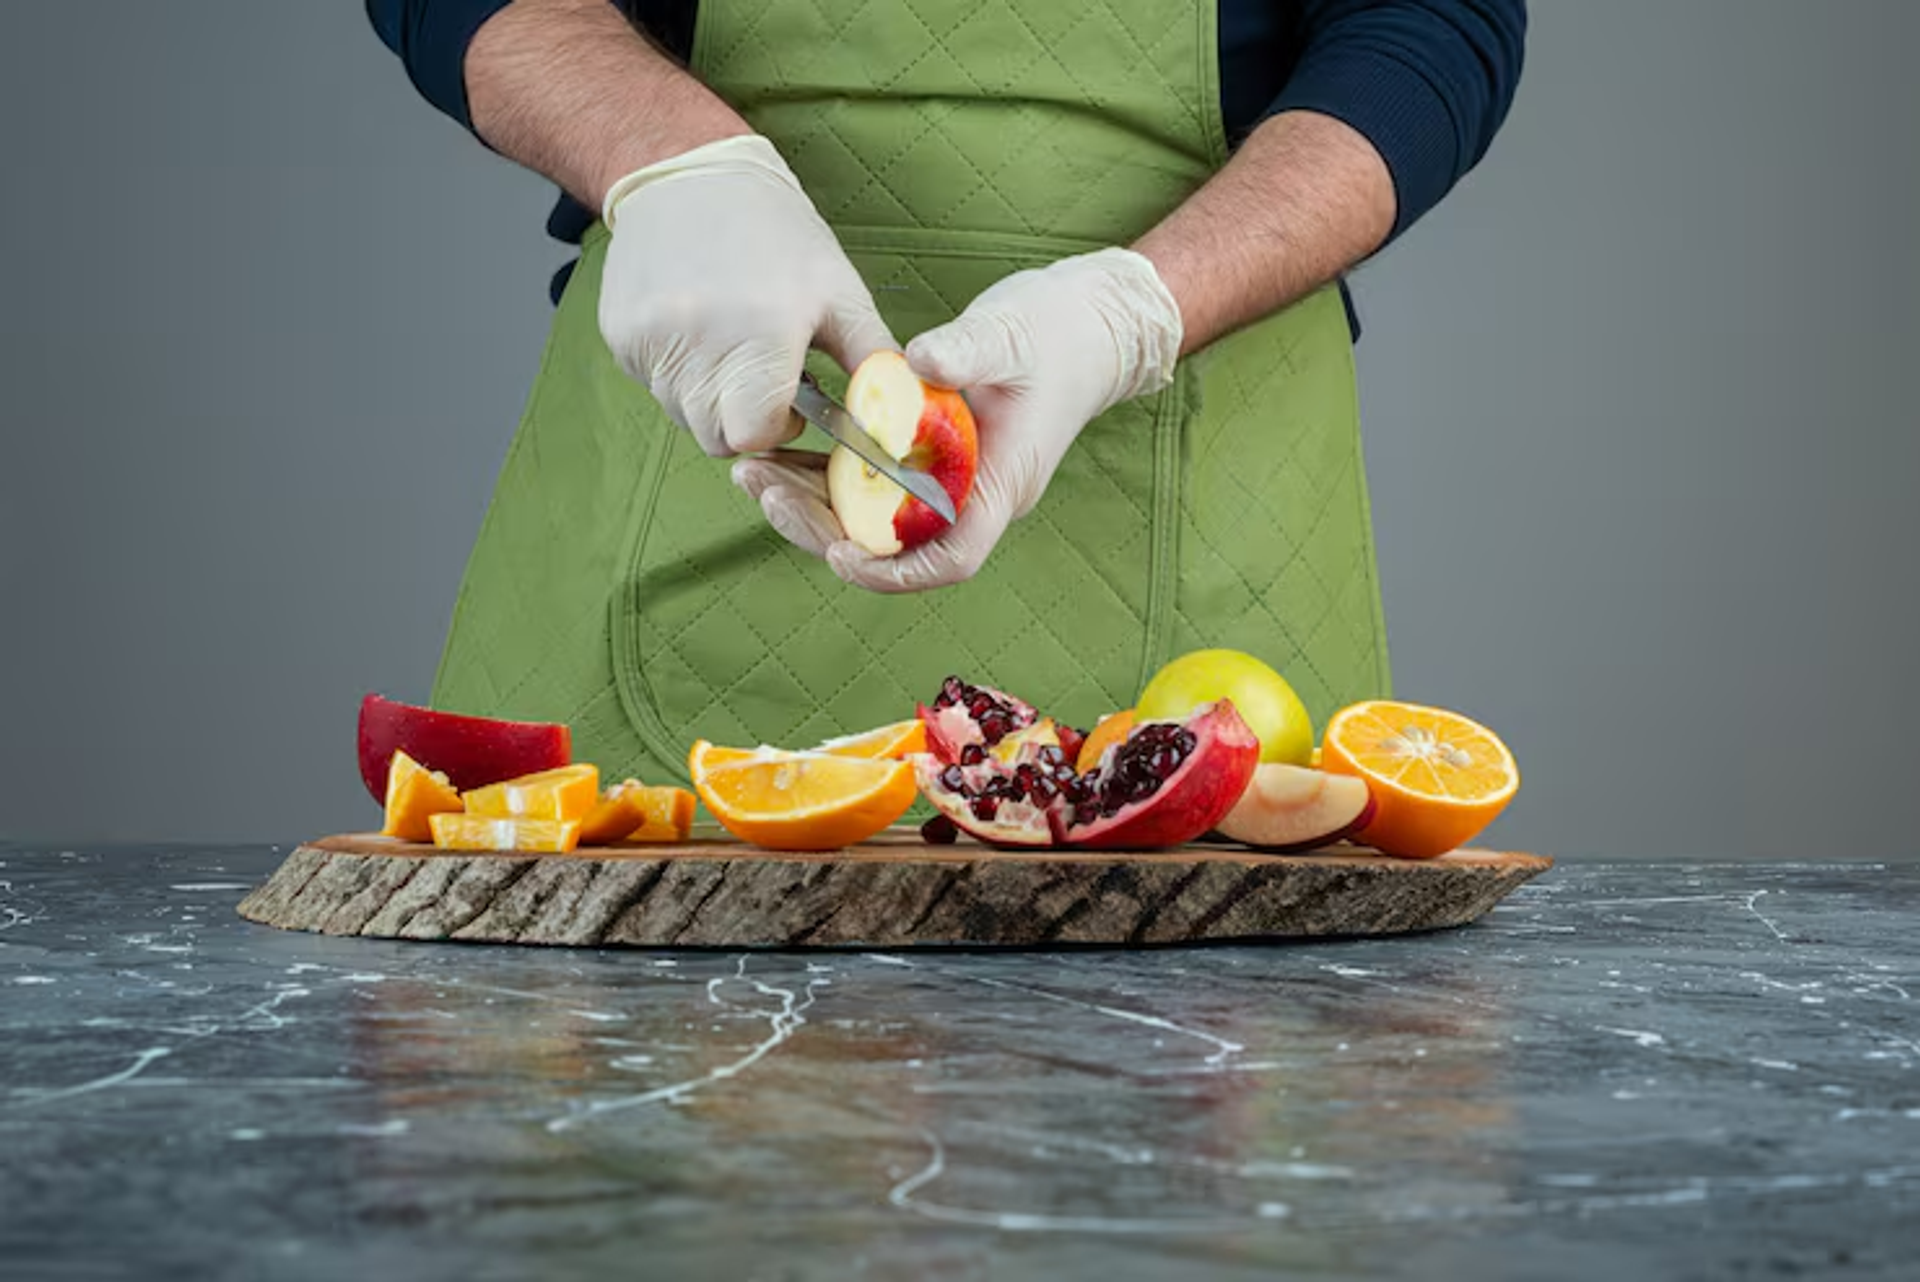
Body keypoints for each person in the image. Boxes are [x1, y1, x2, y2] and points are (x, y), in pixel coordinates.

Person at [367, 0, 1526, 785]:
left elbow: (1431, 21)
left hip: (1206, 487)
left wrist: (1141, 310)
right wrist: (671, 161)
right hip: (685, 443)